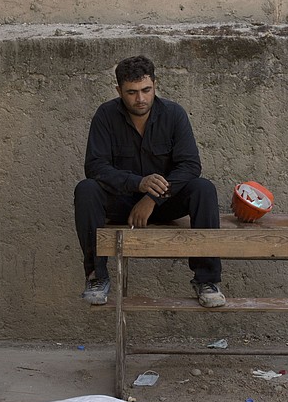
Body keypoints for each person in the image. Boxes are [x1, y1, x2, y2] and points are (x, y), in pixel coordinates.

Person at [73, 55, 225, 307]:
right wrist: (138, 183)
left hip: (165, 203)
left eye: (146, 90)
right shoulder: (105, 115)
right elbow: (95, 167)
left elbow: (190, 165)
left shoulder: (173, 114)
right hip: (122, 204)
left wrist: (152, 197)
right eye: (131, 92)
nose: (140, 99)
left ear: (155, 84)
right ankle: (96, 276)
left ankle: (207, 280)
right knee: (86, 189)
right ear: (119, 90)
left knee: (203, 188)